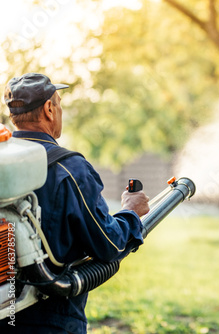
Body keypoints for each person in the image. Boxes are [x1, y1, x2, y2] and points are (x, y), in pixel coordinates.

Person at [0, 73, 150, 333]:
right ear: (49, 109)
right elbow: (109, 243)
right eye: (58, 103)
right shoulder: (68, 169)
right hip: (51, 320)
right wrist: (131, 211)